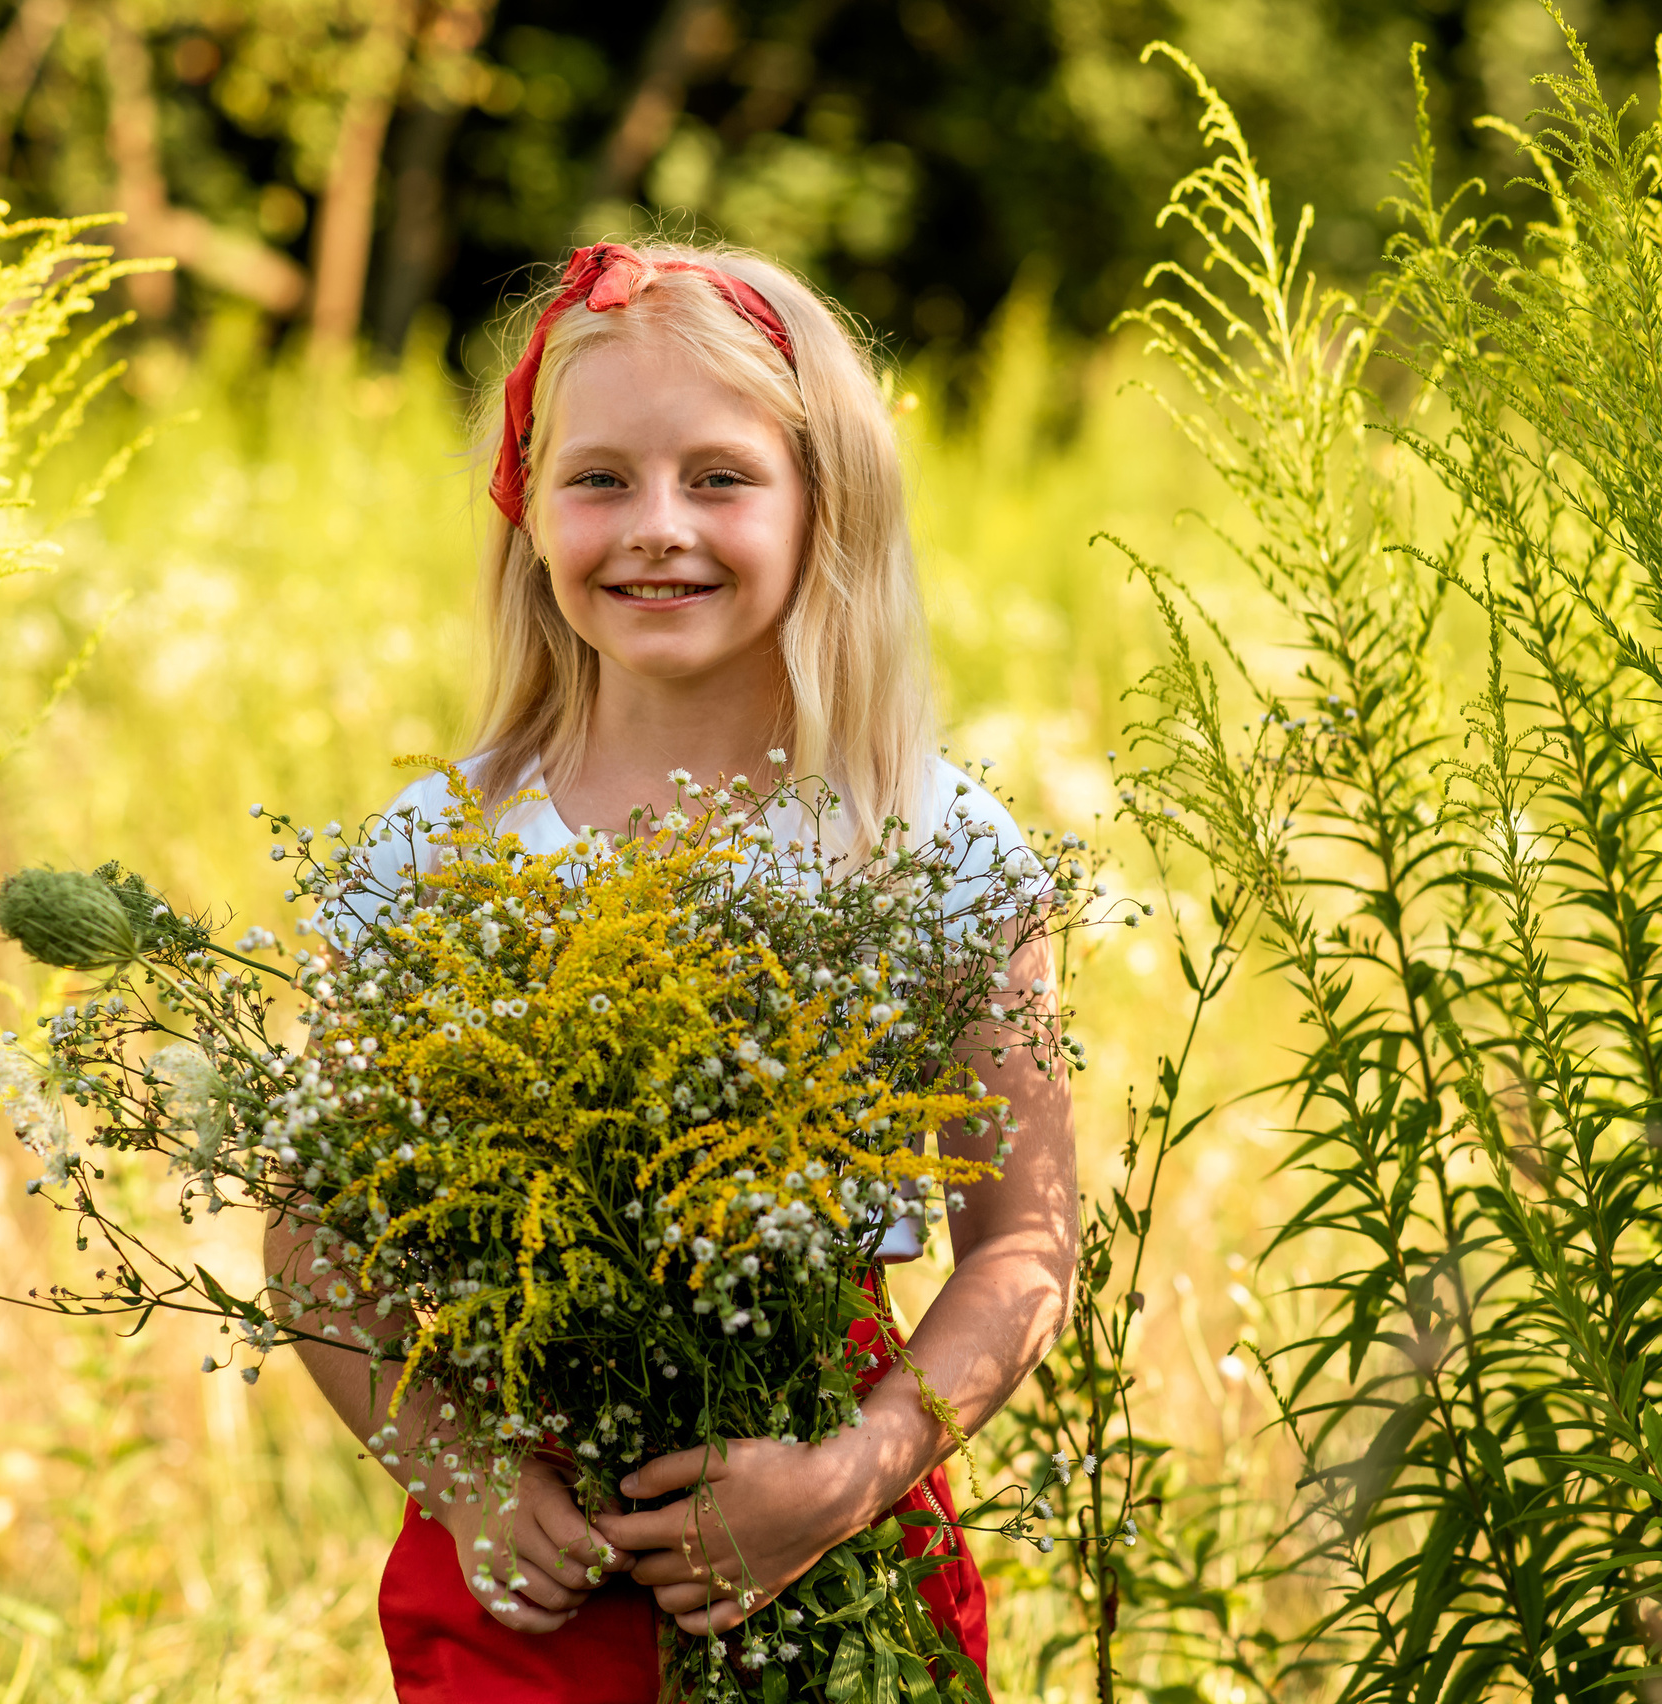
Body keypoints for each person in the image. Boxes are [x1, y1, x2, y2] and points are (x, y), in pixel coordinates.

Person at [263, 239, 1078, 1702]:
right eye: (598, 479)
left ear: (826, 503)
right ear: (528, 513)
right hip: (530, 1572)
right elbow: (310, 1236)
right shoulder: (441, 847)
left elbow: (1025, 1247)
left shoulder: (928, 840)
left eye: (719, 477)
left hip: (831, 1542)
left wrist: (846, 1474)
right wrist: (461, 1470)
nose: (656, 528)